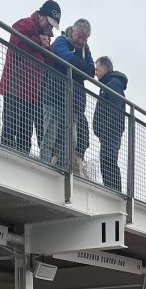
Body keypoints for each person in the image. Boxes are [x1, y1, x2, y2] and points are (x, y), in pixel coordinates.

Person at [0, 3, 61, 154]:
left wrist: (47, 48)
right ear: (42, 16)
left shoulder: (44, 37)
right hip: (15, 88)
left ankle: (21, 161)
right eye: (49, 22)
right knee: (10, 128)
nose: (50, 27)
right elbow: (16, 41)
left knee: (25, 135)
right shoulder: (25, 24)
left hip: (32, 95)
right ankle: (5, 158)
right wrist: (38, 42)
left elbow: (50, 63)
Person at [46, 18, 94, 174]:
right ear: (73, 31)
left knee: (71, 140)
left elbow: (91, 71)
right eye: (79, 37)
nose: (81, 41)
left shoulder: (86, 50)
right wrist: (81, 66)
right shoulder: (60, 41)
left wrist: (77, 65)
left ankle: (65, 170)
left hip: (74, 104)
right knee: (50, 136)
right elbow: (67, 58)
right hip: (55, 98)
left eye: (84, 39)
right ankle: (44, 166)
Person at [92, 57, 127, 191]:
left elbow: (115, 109)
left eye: (97, 69)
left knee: (109, 161)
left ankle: (114, 192)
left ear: (105, 68)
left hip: (111, 132)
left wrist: (104, 129)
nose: (96, 72)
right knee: (106, 161)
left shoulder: (113, 84)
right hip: (108, 133)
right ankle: (111, 190)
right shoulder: (108, 85)